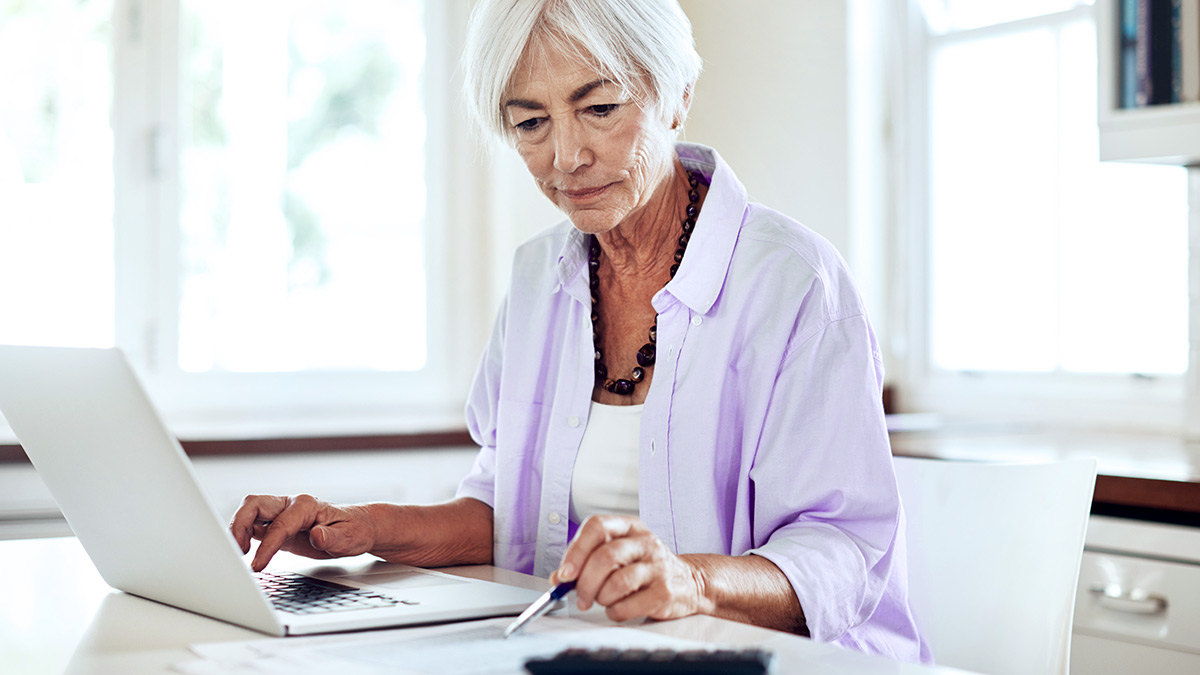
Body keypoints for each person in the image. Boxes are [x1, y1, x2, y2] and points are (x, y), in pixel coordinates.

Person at [230, 0, 930, 663]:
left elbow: (843, 550)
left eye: (599, 108)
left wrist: (691, 581)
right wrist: (358, 528)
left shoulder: (794, 283)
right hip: (594, 654)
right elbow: (507, 514)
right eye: (531, 122)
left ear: (677, 94)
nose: (566, 156)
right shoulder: (538, 277)